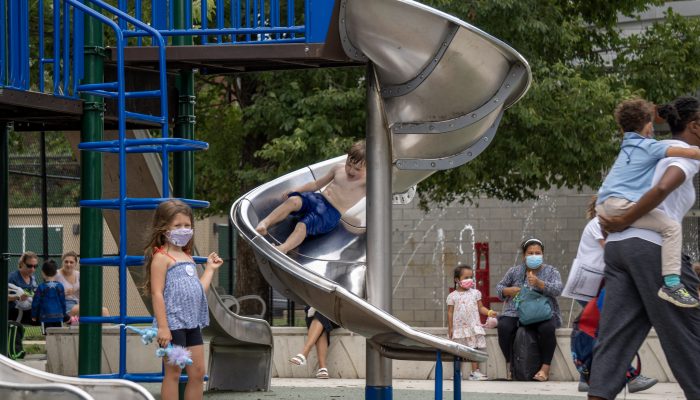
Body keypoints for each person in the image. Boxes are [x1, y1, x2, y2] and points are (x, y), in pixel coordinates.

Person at [589, 96, 700, 400]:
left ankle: (598, 394)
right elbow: (662, 189)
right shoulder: (682, 158)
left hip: (618, 251)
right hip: (650, 249)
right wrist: (626, 218)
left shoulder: (644, 152)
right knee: (689, 332)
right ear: (695, 126)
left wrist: (618, 220)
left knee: (615, 337)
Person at [595, 98, 700, 308]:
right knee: (671, 227)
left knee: (619, 332)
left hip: (606, 212)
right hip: (644, 242)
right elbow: (664, 185)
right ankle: (671, 284)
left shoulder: (627, 145)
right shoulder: (652, 147)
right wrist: (624, 220)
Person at [570, 196, 657, 393]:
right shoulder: (596, 224)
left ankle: (587, 376)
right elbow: (612, 251)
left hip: (596, 285)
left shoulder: (600, 224)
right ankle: (629, 376)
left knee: (598, 330)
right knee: (606, 332)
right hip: (590, 286)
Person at [142, 199, 223, 400]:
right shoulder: (161, 258)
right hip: (172, 325)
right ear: (164, 228)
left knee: (197, 373)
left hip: (191, 324)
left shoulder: (187, 257)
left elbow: (198, 289)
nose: (184, 229)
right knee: (173, 373)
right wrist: (163, 327)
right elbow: (157, 293)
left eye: (187, 225)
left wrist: (210, 270)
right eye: (177, 226)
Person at [256, 140, 367, 253]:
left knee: (303, 225)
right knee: (293, 200)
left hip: (330, 213)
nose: (351, 170)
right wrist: (296, 190)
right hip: (318, 199)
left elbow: (381, 195)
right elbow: (316, 184)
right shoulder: (338, 168)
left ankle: (283, 248)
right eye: (349, 164)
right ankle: (265, 223)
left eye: (357, 169)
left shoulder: (365, 184)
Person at [496, 238, 562, 382]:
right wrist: (508, 290)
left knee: (548, 329)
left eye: (537, 253)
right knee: (504, 327)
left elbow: (558, 289)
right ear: (524, 255)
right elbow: (499, 288)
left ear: (542, 254)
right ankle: (510, 366)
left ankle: (545, 369)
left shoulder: (551, 271)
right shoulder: (515, 271)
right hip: (516, 311)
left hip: (541, 312)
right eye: (530, 253)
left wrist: (540, 283)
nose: (533, 256)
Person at [447, 264, 497, 381]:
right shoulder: (452, 296)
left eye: (471, 277)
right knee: (458, 350)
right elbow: (450, 312)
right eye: (466, 277)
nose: (469, 280)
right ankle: (456, 373)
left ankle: (475, 372)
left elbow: (481, 308)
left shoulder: (475, 293)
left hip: (473, 326)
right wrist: (450, 328)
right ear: (457, 280)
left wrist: (489, 312)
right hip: (459, 328)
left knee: (474, 349)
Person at [288, 306, 338, 379]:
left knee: (321, 313)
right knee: (321, 317)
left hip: (337, 315)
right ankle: (322, 368)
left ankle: (304, 353)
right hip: (315, 312)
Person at [31, 259, 69, 335]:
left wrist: (34, 315)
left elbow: (35, 302)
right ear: (56, 273)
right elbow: (63, 302)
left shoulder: (41, 287)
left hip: (45, 317)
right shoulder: (60, 286)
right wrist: (64, 314)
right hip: (58, 317)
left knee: (48, 336)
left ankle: (49, 347)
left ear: (43, 273)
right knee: (58, 336)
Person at [8, 251, 39, 325]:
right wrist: (18, 297)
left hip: (29, 309)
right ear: (22, 264)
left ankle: (51, 334)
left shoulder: (32, 278)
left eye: (35, 266)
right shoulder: (12, 277)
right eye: (29, 266)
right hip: (14, 311)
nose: (32, 269)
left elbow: (34, 293)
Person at [56, 251, 80, 316]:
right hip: (64, 303)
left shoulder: (78, 274)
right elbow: (48, 292)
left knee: (104, 311)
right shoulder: (56, 274)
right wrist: (62, 293)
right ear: (62, 262)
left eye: (71, 262)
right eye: (66, 262)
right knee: (81, 310)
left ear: (75, 264)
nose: (68, 264)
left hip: (78, 302)